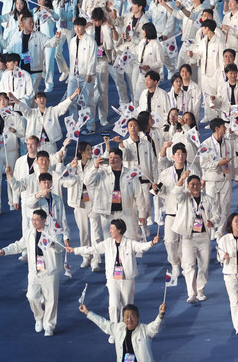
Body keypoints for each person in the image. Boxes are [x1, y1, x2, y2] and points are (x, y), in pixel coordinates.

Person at [68, 219, 160, 343]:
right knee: (113, 305)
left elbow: (141, 247)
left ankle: (126, 330)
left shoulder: (129, 243)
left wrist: (152, 243)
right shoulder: (107, 243)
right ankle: (114, 331)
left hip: (127, 279)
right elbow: (92, 249)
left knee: (127, 306)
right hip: (112, 279)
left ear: (120, 230)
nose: (110, 231)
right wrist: (75, 250)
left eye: (112, 229)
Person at [0, 209, 64, 336]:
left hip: (49, 271)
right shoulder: (29, 233)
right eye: (32, 219)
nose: (34, 222)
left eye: (37, 220)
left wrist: (52, 244)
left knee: (51, 300)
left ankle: (49, 326)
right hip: (34, 271)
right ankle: (39, 317)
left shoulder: (53, 231)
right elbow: (18, 245)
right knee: (31, 297)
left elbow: (61, 248)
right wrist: (5, 250)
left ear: (44, 220)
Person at [172, 173, 220, 303]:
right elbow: (176, 193)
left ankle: (200, 290)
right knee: (189, 265)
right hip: (188, 237)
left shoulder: (208, 199)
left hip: (204, 237)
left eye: (197, 184)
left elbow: (217, 214)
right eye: (192, 184)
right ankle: (191, 293)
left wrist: (212, 222)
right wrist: (181, 179)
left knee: (203, 266)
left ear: (201, 185)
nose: (194, 186)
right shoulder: (184, 198)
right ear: (188, 186)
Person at [157, 142, 201, 277]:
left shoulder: (193, 170)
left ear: (186, 155)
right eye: (178, 154)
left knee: (186, 240)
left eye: (183, 154)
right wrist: (155, 189)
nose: (180, 156)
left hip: (187, 210)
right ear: (173, 156)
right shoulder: (165, 173)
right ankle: (174, 263)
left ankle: (185, 262)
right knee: (169, 241)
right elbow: (161, 191)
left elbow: (198, 188)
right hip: (171, 211)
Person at [79, 302, 166, 362]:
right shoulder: (118, 328)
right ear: (123, 318)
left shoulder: (145, 330)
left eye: (132, 316)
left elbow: (155, 326)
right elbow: (103, 322)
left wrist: (161, 315)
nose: (129, 320)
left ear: (138, 317)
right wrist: (87, 312)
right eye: (126, 317)